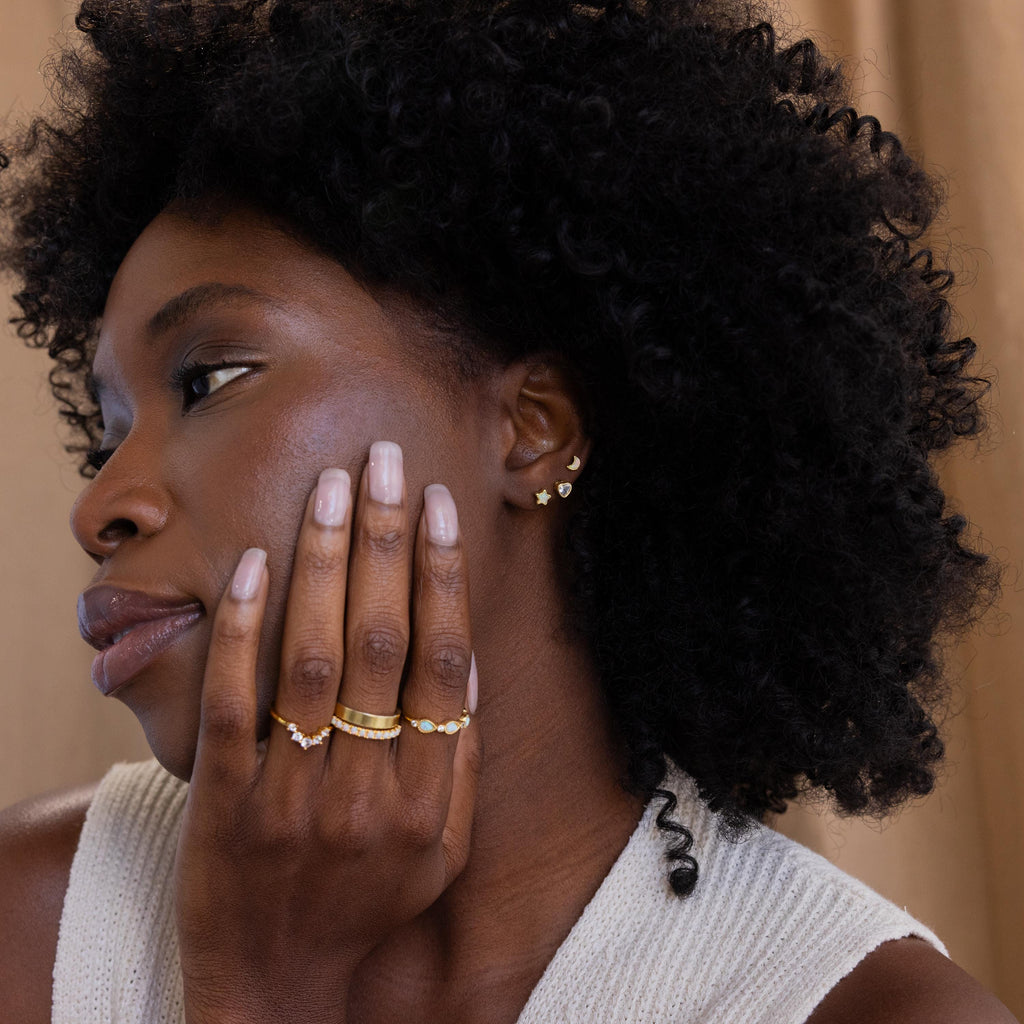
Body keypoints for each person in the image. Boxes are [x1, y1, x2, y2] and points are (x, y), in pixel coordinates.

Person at [0, 0, 1016, 1021]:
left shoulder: (861, 1009)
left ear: (532, 427)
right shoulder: (26, 922)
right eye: (106, 431)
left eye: (209, 378)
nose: (101, 506)